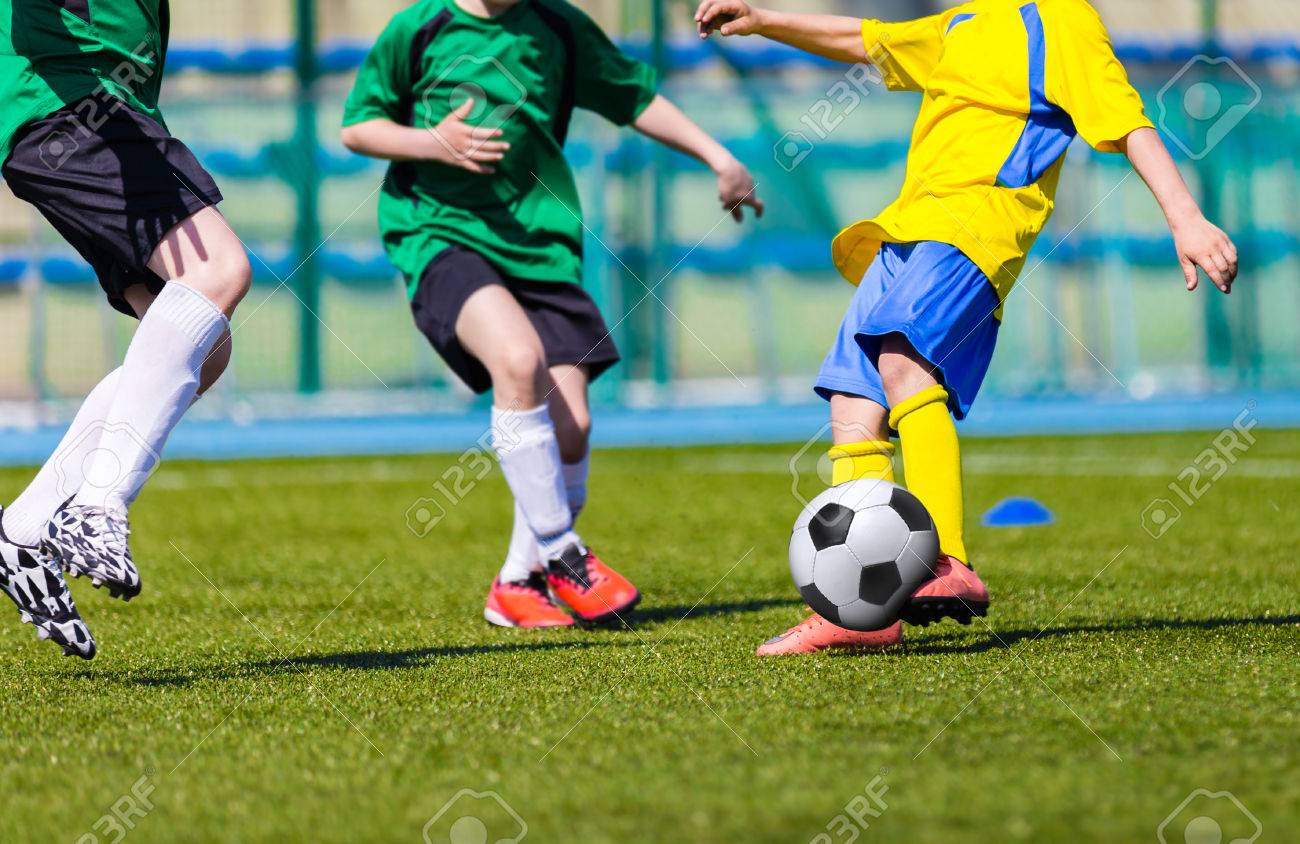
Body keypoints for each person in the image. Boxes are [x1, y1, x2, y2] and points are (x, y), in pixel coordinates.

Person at [693, 0, 1238, 655]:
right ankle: (862, 612)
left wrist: (1184, 219)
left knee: (902, 362)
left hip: (974, 228)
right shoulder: (961, 22)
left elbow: (1127, 122)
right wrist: (764, 20)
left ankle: (946, 559)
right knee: (852, 404)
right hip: (901, 234)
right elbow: (863, 39)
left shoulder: (1060, 19)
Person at [342, 0, 762, 628]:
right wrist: (432, 142)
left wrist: (720, 158)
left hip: (541, 246)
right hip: (439, 234)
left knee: (572, 424)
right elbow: (358, 126)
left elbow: (634, 98)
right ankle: (566, 556)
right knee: (518, 360)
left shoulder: (559, 26)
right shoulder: (420, 25)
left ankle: (516, 582)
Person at [0, 0, 251, 658]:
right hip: (68, 105)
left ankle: (26, 527)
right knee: (218, 270)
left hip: (107, 114)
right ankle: (98, 506)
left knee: (208, 346)